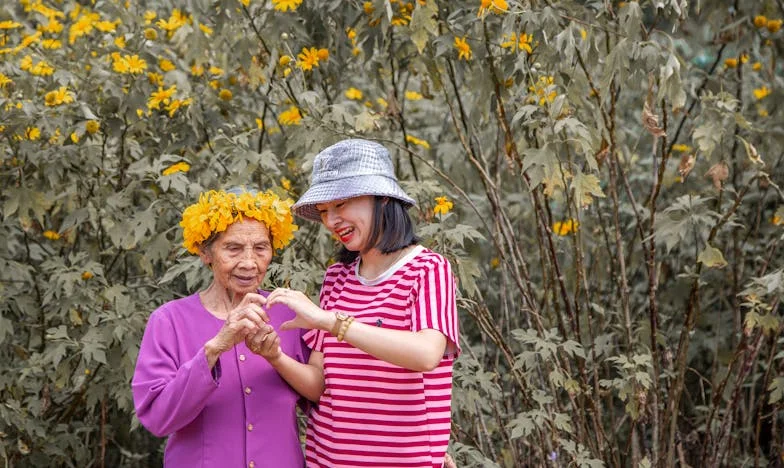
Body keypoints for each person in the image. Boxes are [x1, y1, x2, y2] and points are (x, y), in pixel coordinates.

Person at [255, 139, 461, 468]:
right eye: (324, 211)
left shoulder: (427, 269)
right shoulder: (338, 277)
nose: (332, 220)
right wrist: (275, 356)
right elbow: (320, 386)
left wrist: (330, 321)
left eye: (342, 204)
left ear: (382, 198)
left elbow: (426, 354)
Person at [131, 187, 309, 468]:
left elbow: (325, 398)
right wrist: (214, 349)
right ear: (205, 252)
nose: (249, 262)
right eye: (233, 248)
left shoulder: (290, 314)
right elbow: (158, 419)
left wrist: (277, 358)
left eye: (261, 248)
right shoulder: (169, 321)